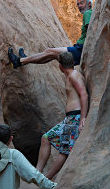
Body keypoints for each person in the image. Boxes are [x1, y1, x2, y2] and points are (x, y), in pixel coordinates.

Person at [36, 51, 88, 180]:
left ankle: (46, 178)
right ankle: (37, 172)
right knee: (46, 137)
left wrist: (83, 118)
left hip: (75, 118)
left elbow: (84, 94)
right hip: (69, 119)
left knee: (64, 151)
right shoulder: (71, 75)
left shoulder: (74, 76)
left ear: (60, 66)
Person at [8, 0, 93, 68]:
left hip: (79, 50)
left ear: (89, 4)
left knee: (49, 51)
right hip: (80, 50)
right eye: (78, 4)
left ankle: (20, 61)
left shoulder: (88, 13)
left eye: (82, 3)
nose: (79, 6)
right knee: (50, 55)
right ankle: (24, 60)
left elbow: (91, 31)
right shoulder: (91, 13)